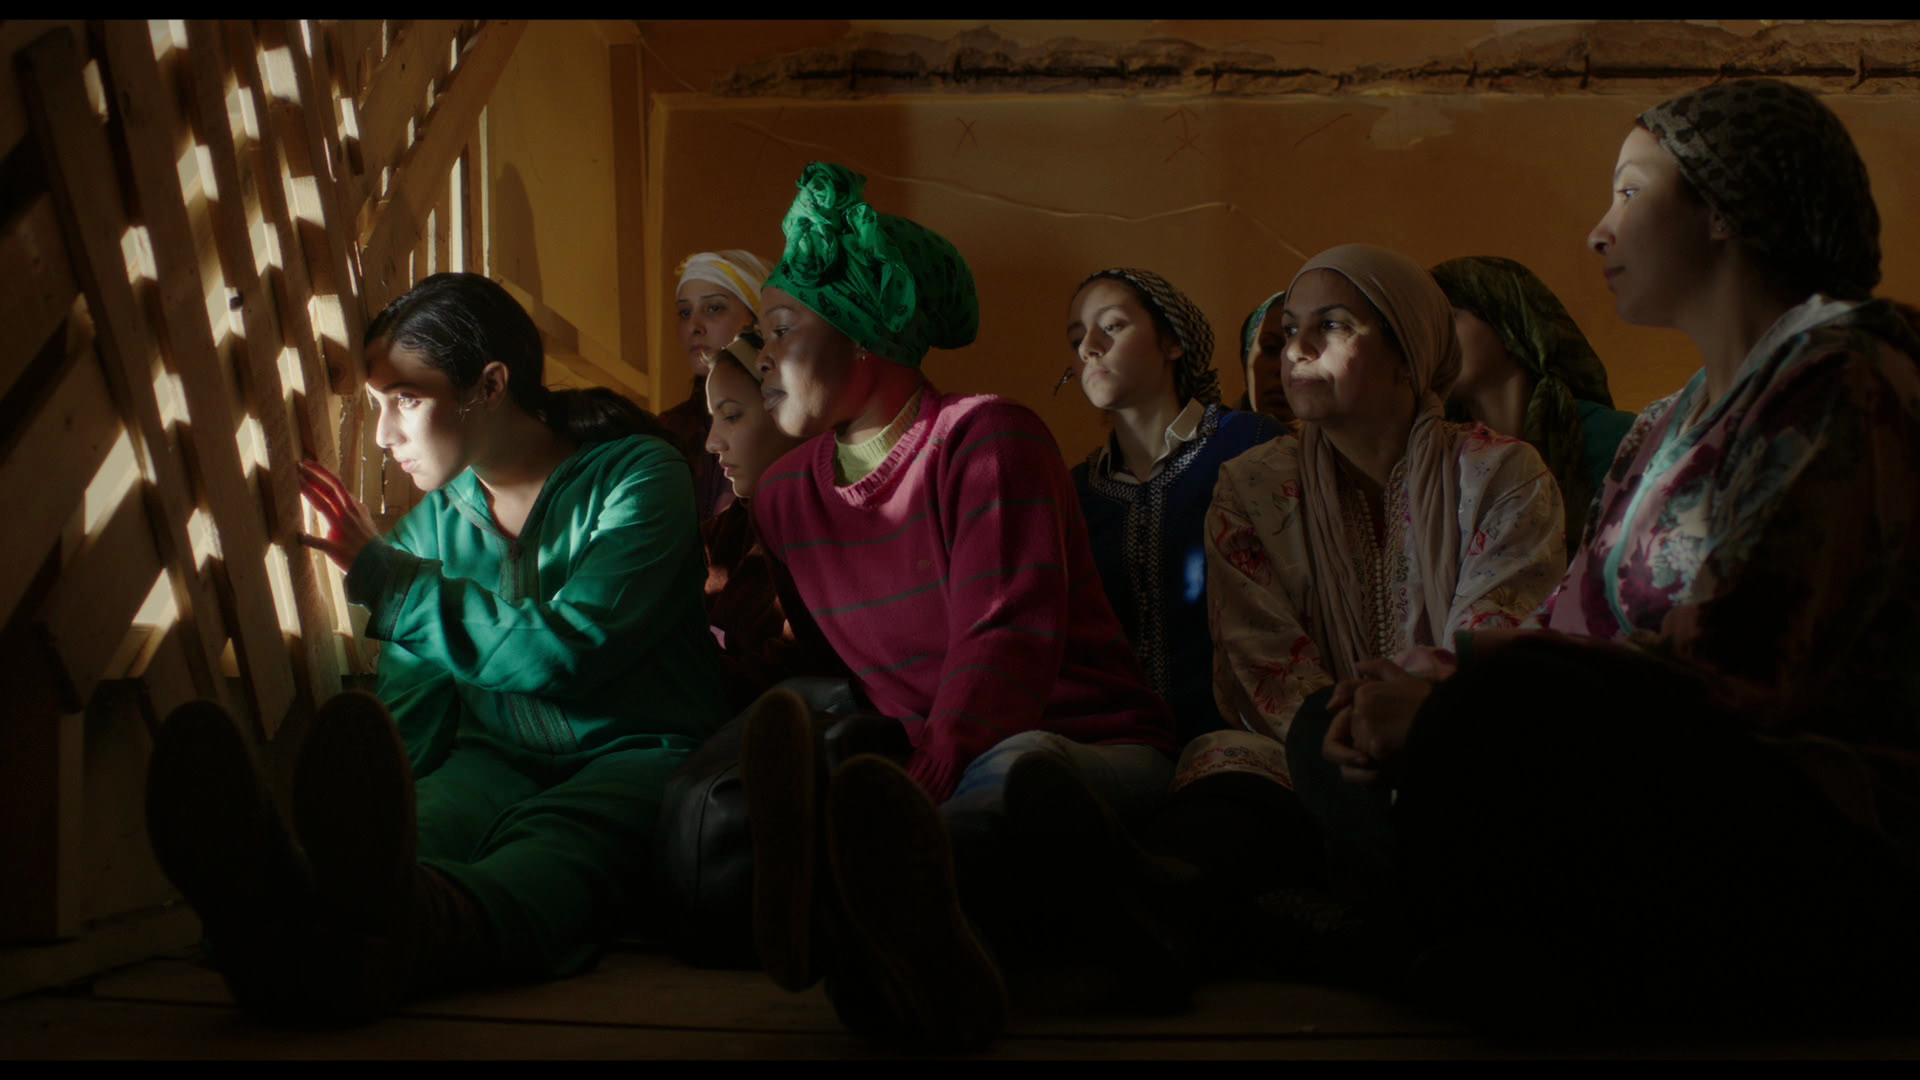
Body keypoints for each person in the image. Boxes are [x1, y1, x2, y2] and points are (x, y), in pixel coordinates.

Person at [1319, 79, 1920, 1031]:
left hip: (1806, 814)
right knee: (1332, 721)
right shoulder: (1667, 423)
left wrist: (1454, 701)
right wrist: (1422, 678)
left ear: (1726, 209)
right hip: (1640, 777)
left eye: (1631, 193)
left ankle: (1431, 934)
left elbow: (1739, 673)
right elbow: (1570, 619)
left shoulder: (1846, 374)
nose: (1599, 233)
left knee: (1496, 715)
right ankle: (1463, 937)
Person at [143, 272, 726, 1023]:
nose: (384, 435)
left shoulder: (640, 478)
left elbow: (569, 649)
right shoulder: (429, 530)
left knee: (546, 866)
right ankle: (278, 914)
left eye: (405, 400)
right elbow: (413, 716)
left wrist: (389, 580)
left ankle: (321, 948)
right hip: (490, 761)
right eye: (377, 404)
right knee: (410, 840)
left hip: (632, 756)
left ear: (489, 386)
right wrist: (393, 796)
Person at [737, 162, 1180, 1052]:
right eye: (758, 336)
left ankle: (843, 909)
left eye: (782, 329)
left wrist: (937, 766)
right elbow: (824, 659)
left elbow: (1004, 634)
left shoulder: (986, 438)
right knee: (862, 777)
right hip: (923, 770)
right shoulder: (782, 498)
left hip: (1086, 747)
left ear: (864, 336)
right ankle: (898, 947)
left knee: (1017, 775)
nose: (760, 357)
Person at [1179, 243, 1566, 899]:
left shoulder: (1500, 474)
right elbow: (1263, 658)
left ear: (1407, 354)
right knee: (1220, 770)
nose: (1296, 351)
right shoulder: (1249, 486)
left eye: (1331, 325)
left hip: (1444, 735)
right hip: (1309, 749)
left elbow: (1494, 636)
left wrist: (1408, 719)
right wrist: (1342, 733)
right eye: (1289, 331)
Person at [1065, 268, 1285, 744]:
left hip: (1247, 741)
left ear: (1173, 342)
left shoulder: (1252, 443)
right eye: (1077, 338)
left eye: (1112, 326)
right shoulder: (1075, 493)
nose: (1089, 348)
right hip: (1121, 747)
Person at [1430, 255, 1637, 545]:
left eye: (1450, 317)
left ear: (1508, 322)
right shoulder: (1440, 463)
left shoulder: (1621, 440)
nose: (1433, 339)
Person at [698, 327, 838, 711]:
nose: (712, 443)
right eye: (712, 419)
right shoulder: (730, 530)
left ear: (791, 411)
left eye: (731, 416)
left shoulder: (831, 537)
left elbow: (790, 677)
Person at [656, 249, 776, 521]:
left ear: (757, 316)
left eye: (714, 308)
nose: (694, 326)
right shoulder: (665, 431)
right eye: (684, 312)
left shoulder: (795, 424)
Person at [1241, 290, 1297, 425]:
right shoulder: (1211, 435)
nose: (1282, 370)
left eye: (1298, 357)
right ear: (1245, 360)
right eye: (1270, 348)